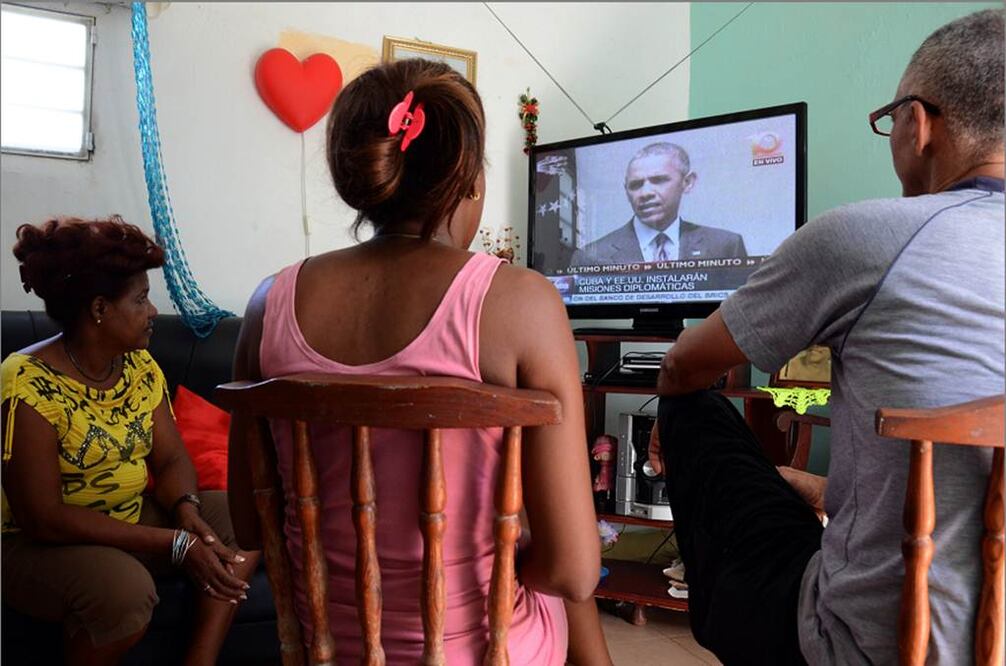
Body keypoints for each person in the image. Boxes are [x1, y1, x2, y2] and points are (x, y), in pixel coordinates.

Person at [646, 9, 1003, 665]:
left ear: (918, 125)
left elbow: (682, 366)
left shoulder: (867, 237)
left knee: (688, 404)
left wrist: (672, 406)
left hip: (865, 645)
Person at [228, 59, 611, 665]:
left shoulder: (266, 303)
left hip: (324, 649)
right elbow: (573, 571)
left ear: (358, 174)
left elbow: (251, 529)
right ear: (470, 181)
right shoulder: (522, 303)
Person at [1, 217, 259, 666]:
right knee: (124, 592)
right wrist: (172, 543)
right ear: (99, 309)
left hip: (129, 515)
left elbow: (172, 455)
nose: (153, 310)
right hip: (34, 543)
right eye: (140, 299)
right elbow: (43, 518)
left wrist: (186, 511)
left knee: (248, 516)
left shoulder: (139, 367)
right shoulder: (25, 383)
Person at [570, 143, 747, 266]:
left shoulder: (726, 245)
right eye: (636, 185)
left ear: (688, 182)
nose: (645, 193)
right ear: (626, 190)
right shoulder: (589, 257)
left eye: (659, 180)